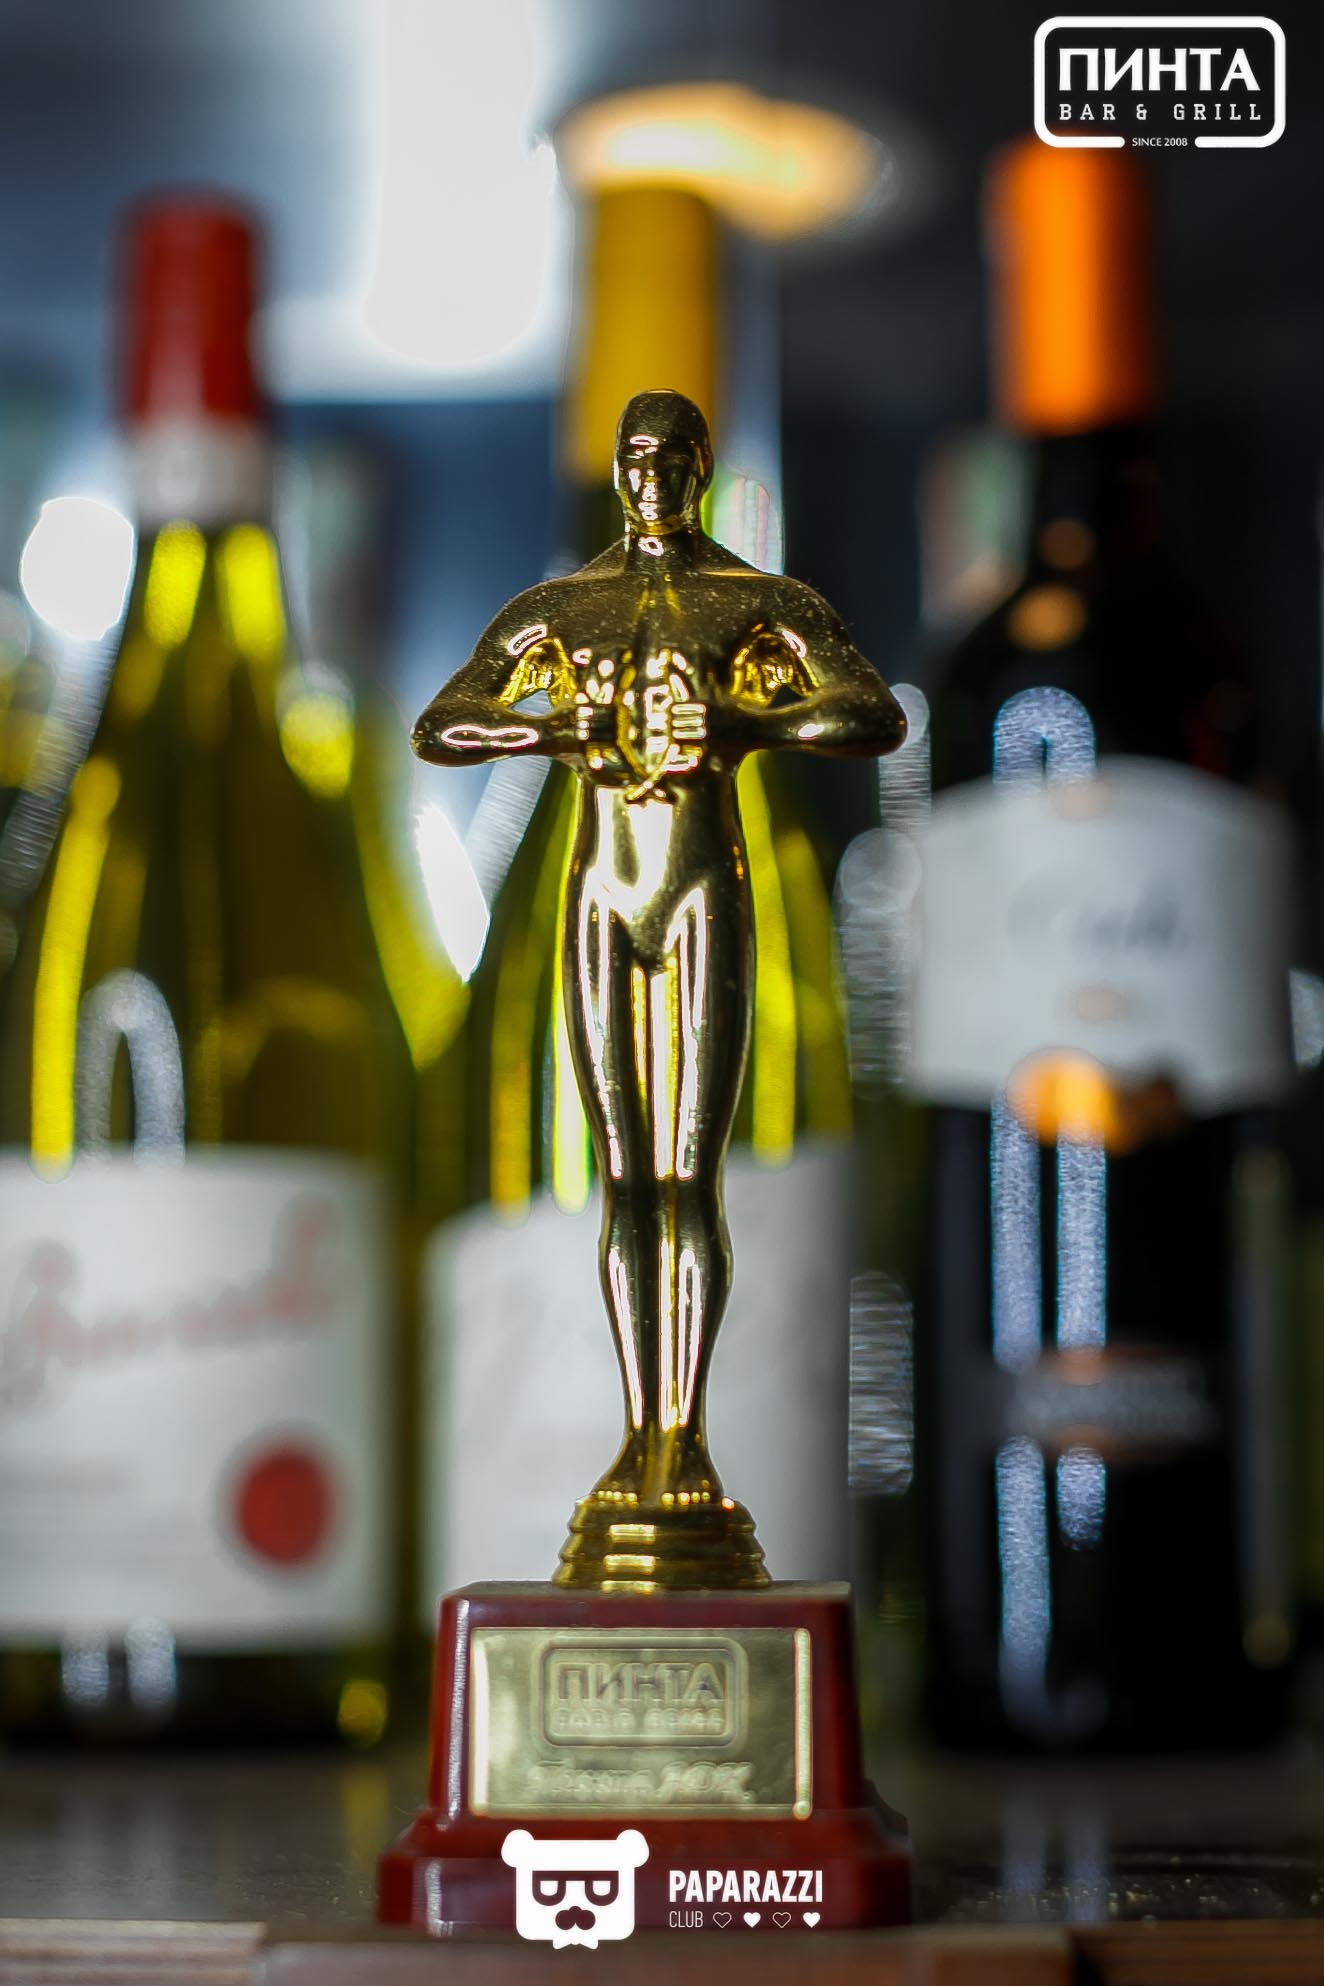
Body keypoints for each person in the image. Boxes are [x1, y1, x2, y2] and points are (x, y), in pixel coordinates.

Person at [414, 388, 905, 1583]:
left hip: (700, 891)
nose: (650, 475)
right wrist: (569, 729)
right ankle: (645, 1442)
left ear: (699, 466)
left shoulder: (755, 601)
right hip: (603, 895)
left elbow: (869, 712)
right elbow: (446, 723)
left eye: (670, 456)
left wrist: (732, 721)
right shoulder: (561, 607)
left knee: (690, 1179)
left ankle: (680, 1440)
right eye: (635, 456)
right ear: (621, 468)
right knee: (626, 1185)